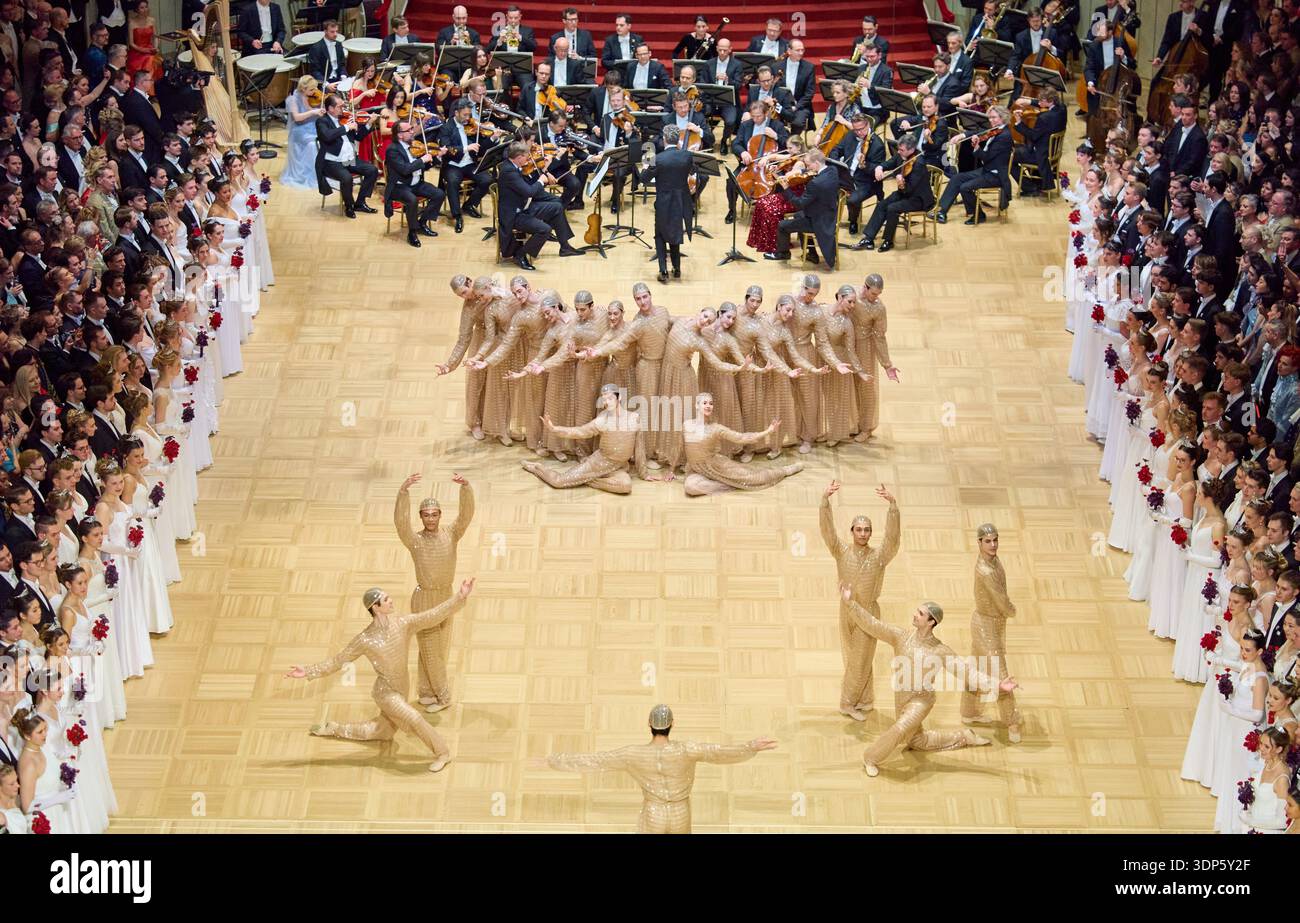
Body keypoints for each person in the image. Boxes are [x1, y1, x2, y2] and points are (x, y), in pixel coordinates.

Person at [286, 581, 475, 773]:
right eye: (386, 599)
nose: (391, 600)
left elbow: (432, 616)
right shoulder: (365, 640)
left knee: (380, 732)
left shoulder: (403, 624)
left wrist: (459, 597)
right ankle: (443, 753)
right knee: (415, 717)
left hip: (402, 688)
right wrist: (308, 671)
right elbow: (338, 660)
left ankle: (332, 728)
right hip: (385, 693)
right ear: (375, 608)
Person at [842, 589, 1019, 776]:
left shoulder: (940, 651)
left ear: (931, 622)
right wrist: (850, 604)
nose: (914, 615)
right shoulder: (900, 636)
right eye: (916, 611)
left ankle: (870, 758)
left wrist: (997, 685)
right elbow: (873, 625)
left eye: (920, 614)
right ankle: (964, 736)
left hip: (921, 701)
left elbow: (968, 672)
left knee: (900, 728)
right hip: (901, 697)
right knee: (917, 741)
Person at [538, 703, 777, 833]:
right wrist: (751, 746)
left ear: (649, 725)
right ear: (672, 724)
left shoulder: (633, 754)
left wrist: (552, 760)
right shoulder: (687, 750)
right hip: (680, 814)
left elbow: (595, 760)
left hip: (653, 814)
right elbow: (721, 752)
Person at [393, 473, 473, 713]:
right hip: (424, 598)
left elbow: (466, 517)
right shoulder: (414, 540)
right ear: (421, 517)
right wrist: (403, 493)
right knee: (429, 648)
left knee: (438, 649)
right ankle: (442, 694)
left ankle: (427, 691)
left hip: (446, 596)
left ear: (440, 515)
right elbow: (400, 523)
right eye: (426, 515)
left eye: (434, 514)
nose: (430, 519)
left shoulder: (451, 534)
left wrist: (466, 488)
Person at [820, 481, 901, 720]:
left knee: (861, 658)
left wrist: (893, 507)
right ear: (852, 531)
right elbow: (827, 532)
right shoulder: (841, 551)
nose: (863, 534)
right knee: (854, 656)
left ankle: (851, 702)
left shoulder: (879, 557)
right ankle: (860, 699)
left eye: (867, 530)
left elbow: (893, 541)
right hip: (846, 611)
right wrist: (825, 501)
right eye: (859, 529)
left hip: (868, 613)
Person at [523, 384, 651, 494]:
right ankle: (536, 467)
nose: (607, 402)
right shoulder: (602, 420)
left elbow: (639, 448)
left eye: (610, 398)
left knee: (625, 486)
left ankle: (587, 480)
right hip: (598, 463)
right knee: (559, 482)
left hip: (619, 466)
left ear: (619, 398)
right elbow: (579, 432)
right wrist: (554, 429)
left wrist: (644, 474)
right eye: (604, 399)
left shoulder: (635, 418)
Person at [960, 523, 1024, 742]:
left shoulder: (994, 561)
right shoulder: (985, 570)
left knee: (977, 668)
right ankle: (1012, 721)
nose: (993, 545)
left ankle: (969, 712)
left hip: (990, 623)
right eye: (988, 541)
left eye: (995, 540)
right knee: (1001, 674)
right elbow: (1001, 600)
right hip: (985, 626)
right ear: (979, 543)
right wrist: (1012, 610)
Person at [678, 393, 801, 496]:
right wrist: (671, 470)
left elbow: (741, 437)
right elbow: (681, 447)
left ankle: (785, 470)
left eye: (711, 403)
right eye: (704, 403)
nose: (708, 406)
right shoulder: (686, 424)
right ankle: (729, 482)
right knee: (690, 488)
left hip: (715, 466)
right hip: (696, 470)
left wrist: (768, 431)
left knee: (754, 478)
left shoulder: (716, 428)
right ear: (696, 405)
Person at [496, 140, 583, 271]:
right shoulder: (508, 171)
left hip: (524, 205)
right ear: (519, 158)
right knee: (545, 229)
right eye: (526, 156)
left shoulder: (514, 166)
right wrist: (541, 180)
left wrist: (544, 170)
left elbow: (527, 186)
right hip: (515, 215)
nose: (529, 158)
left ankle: (565, 246)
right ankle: (521, 255)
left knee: (557, 207)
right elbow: (529, 191)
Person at [933, 105, 1013, 225]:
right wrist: (962, 135)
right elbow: (979, 131)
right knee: (957, 178)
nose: (991, 120)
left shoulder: (1004, 136)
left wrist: (976, 148)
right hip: (987, 170)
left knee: (965, 187)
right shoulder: (997, 130)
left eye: (994, 118)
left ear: (1003, 117)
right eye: (990, 117)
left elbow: (987, 157)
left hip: (995, 175)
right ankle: (941, 211)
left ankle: (979, 215)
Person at [853, 135, 933, 252]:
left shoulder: (919, 164)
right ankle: (869, 238)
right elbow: (891, 162)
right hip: (904, 193)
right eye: (899, 149)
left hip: (918, 198)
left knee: (892, 208)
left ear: (911, 150)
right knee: (882, 204)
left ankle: (888, 241)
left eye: (902, 150)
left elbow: (909, 189)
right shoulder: (902, 155)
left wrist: (901, 183)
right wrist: (880, 168)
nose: (899, 152)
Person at [638, 126, 693, 282]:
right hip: (681, 201)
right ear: (678, 139)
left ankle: (663, 271)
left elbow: (644, 179)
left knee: (660, 235)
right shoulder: (687, 155)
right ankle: (677, 269)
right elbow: (690, 170)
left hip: (663, 202)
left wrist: (645, 166)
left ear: (664, 139)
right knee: (676, 233)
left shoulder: (659, 159)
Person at [772, 149, 839, 268]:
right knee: (798, 215)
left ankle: (783, 253)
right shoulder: (833, 171)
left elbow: (799, 203)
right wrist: (801, 171)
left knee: (782, 225)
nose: (807, 167)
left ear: (817, 164)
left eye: (808, 165)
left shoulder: (815, 184)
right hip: (829, 213)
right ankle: (811, 253)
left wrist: (786, 188)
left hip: (819, 221)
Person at [314, 94, 378, 219]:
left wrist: (369, 123)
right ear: (330, 108)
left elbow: (359, 137)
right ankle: (349, 206)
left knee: (372, 170)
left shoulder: (344, 118)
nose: (343, 109)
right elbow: (327, 136)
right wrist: (347, 127)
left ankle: (360, 203)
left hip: (349, 160)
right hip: (332, 162)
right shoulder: (322, 121)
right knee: (347, 178)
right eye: (340, 106)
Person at [383, 120, 444, 248]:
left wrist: (437, 157)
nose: (412, 132)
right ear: (400, 135)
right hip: (399, 186)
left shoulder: (414, 146)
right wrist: (422, 159)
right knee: (412, 200)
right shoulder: (392, 150)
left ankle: (422, 223)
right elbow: (405, 170)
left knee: (439, 194)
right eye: (409, 130)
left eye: (412, 129)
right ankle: (412, 232)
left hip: (416, 183)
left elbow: (423, 167)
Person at [282, 76, 325, 190]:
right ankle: (313, 174)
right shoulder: (292, 100)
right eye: (311, 89)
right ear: (303, 89)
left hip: (313, 128)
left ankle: (326, 170)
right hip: (300, 131)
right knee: (313, 144)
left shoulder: (313, 97)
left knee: (327, 138)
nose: (315, 91)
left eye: (315, 88)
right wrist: (313, 112)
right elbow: (296, 117)